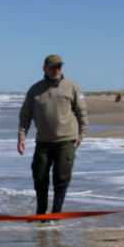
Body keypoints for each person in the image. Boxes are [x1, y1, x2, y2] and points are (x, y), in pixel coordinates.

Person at [17, 54, 88, 214]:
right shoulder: (35, 89)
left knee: (61, 178)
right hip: (43, 141)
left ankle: (56, 214)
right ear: (44, 69)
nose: (57, 70)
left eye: (59, 67)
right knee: (40, 177)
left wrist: (82, 134)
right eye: (53, 67)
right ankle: (41, 213)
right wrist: (22, 137)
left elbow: (81, 112)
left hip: (66, 140)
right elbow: (25, 115)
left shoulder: (72, 87)